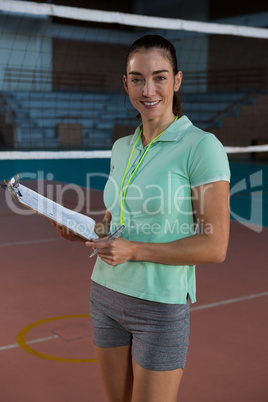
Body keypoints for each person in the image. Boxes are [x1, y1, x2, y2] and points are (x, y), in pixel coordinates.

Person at [54, 35, 230, 402]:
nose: (148, 90)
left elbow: (215, 246)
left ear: (177, 81)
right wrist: (83, 230)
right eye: (137, 79)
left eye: (160, 77)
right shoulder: (122, 146)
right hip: (104, 294)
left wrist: (133, 250)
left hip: (159, 306)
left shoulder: (201, 147)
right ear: (126, 83)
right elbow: (114, 220)